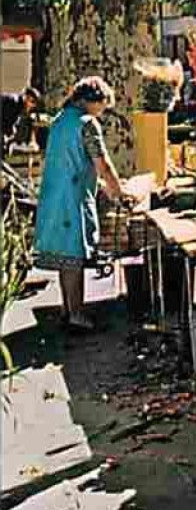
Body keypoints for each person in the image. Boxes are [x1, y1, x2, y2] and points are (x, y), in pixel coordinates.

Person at [33, 77, 128, 331]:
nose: (103, 111)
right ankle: (76, 314)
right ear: (92, 101)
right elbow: (103, 164)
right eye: (103, 105)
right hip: (72, 197)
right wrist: (118, 192)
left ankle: (68, 308)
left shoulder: (60, 119)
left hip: (54, 195)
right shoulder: (87, 123)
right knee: (74, 257)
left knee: (66, 260)